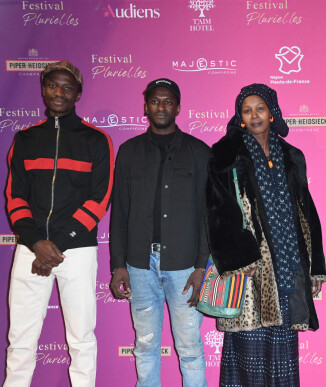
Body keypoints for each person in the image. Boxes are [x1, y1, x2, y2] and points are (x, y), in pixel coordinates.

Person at [206, 83, 326, 386]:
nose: (254, 115)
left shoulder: (291, 155)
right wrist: (240, 258)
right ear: (240, 117)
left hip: (287, 269)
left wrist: (314, 269)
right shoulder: (226, 153)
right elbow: (218, 209)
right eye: (247, 110)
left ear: (272, 113)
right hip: (249, 270)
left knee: (283, 354)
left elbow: (306, 213)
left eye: (260, 108)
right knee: (248, 352)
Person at [4, 60, 114, 386]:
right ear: (43, 88)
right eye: (53, 85)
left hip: (76, 251)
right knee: (21, 338)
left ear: (78, 93)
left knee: (81, 338)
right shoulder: (25, 139)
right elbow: (15, 197)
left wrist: (59, 244)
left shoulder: (96, 140)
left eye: (67, 87)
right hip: (30, 249)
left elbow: (99, 198)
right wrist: (37, 242)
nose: (59, 93)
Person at [109, 78, 210, 387]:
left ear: (178, 107)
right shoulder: (128, 152)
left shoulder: (199, 152)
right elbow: (120, 213)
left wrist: (199, 266)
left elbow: (208, 215)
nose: (161, 106)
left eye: (168, 101)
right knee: (145, 346)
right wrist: (118, 265)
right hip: (139, 267)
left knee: (190, 348)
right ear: (146, 106)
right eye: (155, 101)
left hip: (183, 268)